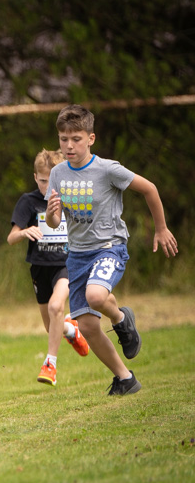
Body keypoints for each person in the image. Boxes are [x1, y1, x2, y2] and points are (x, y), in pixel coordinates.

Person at [45, 104, 178, 396]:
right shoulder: (56, 173)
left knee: (96, 296)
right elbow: (54, 222)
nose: (69, 145)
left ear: (91, 138)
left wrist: (161, 228)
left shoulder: (107, 169)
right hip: (77, 255)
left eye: (76, 138)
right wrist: (53, 213)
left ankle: (120, 319)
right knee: (88, 326)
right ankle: (125, 379)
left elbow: (150, 189)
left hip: (109, 248)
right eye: (63, 138)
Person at [8, 149, 90, 387]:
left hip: (67, 264)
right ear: (36, 177)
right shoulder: (28, 202)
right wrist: (23, 232)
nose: (48, 186)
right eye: (43, 181)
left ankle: (50, 364)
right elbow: (10, 238)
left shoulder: (71, 199)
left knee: (57, 306)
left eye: (53, 180)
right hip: (39, 269)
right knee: (50, 325)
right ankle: (71, 330)